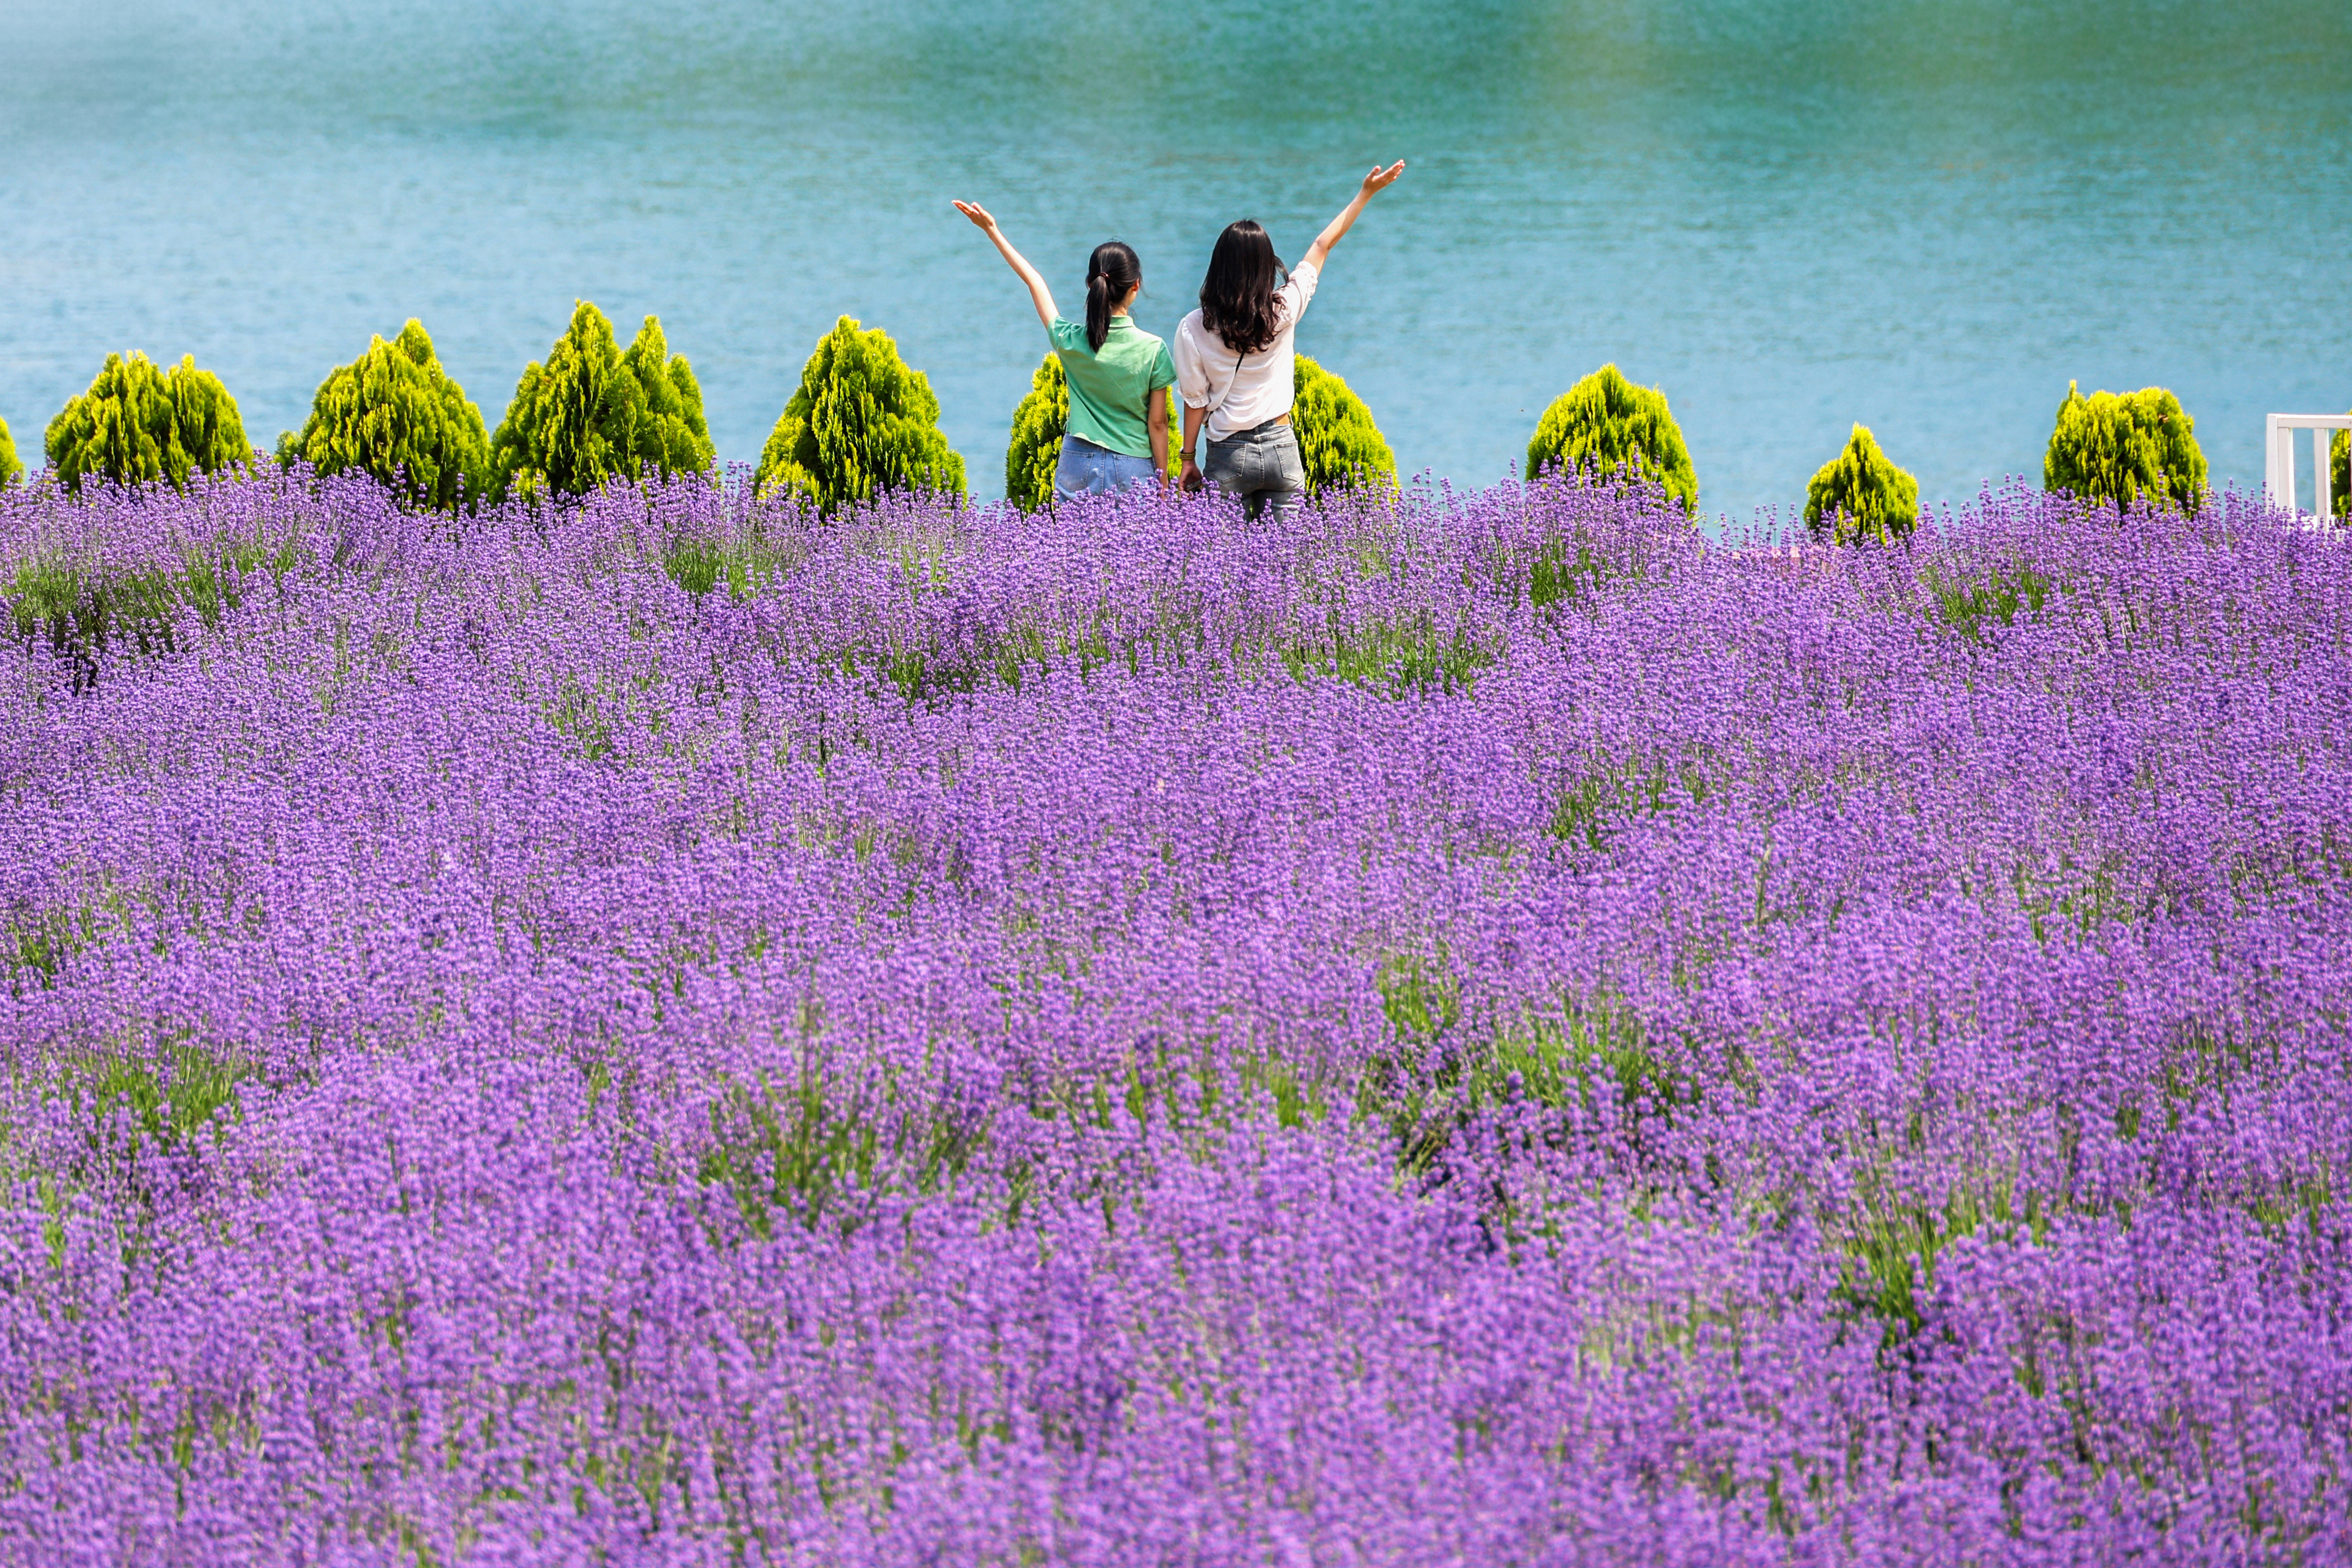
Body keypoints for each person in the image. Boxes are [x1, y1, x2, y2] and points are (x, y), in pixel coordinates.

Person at [1174, 161, 1406, 522]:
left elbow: (1195, 401)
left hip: (1227, 454)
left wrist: (1188, 459)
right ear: (1268, 266)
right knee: (1288, 567)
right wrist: (1366, 193)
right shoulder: (1284, 310)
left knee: (1223, 570)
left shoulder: (1194, 327)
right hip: (1282, 448)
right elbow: (1322, 245)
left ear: (1218, 266)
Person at [952, 201, 1176, 500]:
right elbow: (1158, 424)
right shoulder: (1154, 350)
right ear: (1135, 286)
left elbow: (1034, 281)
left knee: (1075, 548)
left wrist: (992, 231)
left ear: (1091, 284)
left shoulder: (1070, 340)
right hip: (1133, 466)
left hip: (1077, 460)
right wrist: (1164, 485)